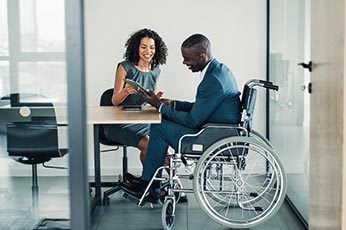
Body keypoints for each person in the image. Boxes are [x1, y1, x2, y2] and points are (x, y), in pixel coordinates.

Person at [124, 33, 241, 203]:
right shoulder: (220, 70)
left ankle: (149, 184)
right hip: (215, 129)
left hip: (210, 137)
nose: (184, 62)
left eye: (187, 59)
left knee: (159, 126)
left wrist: (159, 106)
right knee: (161, 123)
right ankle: (148, 183)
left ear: (201, 56)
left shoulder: (212, 80)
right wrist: (174, 104)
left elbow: (192, 121)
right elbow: (203, 107)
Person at [103, 28, 168, 165]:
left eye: (151, 48)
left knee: (161, 143)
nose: (148, 52)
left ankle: (152, 182)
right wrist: (126, 91)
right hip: (119, 123)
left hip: (141, 120)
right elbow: (114, 101)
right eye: (143, 47)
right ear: (136, 48)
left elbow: (147, 103)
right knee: (148, 145)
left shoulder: (155, 70)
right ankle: (158, 182)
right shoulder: (125, 67)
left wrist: (155, 98)